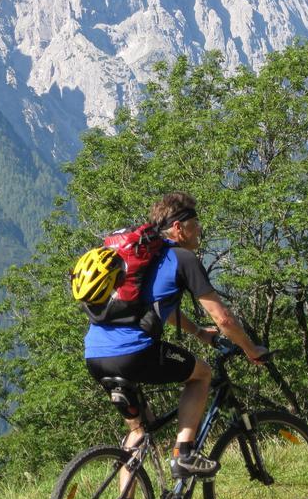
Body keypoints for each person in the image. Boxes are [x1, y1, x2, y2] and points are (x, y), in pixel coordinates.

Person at [83, 191, 267, 478]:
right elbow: (223, 318)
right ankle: (185, 453)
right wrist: (250, 348)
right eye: (196, 221)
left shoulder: (144, 260)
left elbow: (157, 307)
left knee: (140, 432)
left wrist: (197, 332)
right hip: (134, 353)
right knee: (202, 374)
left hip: (96, 355)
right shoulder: (182, 258)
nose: (201, 228)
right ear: (179, 228)